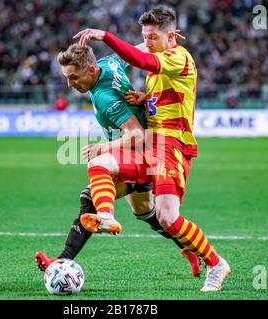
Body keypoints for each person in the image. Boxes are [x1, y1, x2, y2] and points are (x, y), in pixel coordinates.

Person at [73, 6, 231, 291]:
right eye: (144, 37)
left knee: (167, 217)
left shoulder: (178, 57)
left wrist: (105, 36)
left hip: (172, 146)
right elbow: (169, 89)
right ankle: (106, 217)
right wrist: (146, 98)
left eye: (153, 38)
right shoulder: (161, 57)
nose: (147, 43)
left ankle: (215, 263)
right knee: (100, 163)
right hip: (149, 143)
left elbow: (140, 59)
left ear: (171, 36)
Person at [34, 43, 201, 277]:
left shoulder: (104, 97)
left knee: (91, 197)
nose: (69, 84)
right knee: (146, 212)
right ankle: (189, 248)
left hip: (145, 153)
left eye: (73, 77)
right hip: (148, 149)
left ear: (91, 70)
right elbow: (137, 49)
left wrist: (104, 148)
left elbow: (137, 135)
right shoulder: (108, 62)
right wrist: (165, 42)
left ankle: (61, 261)